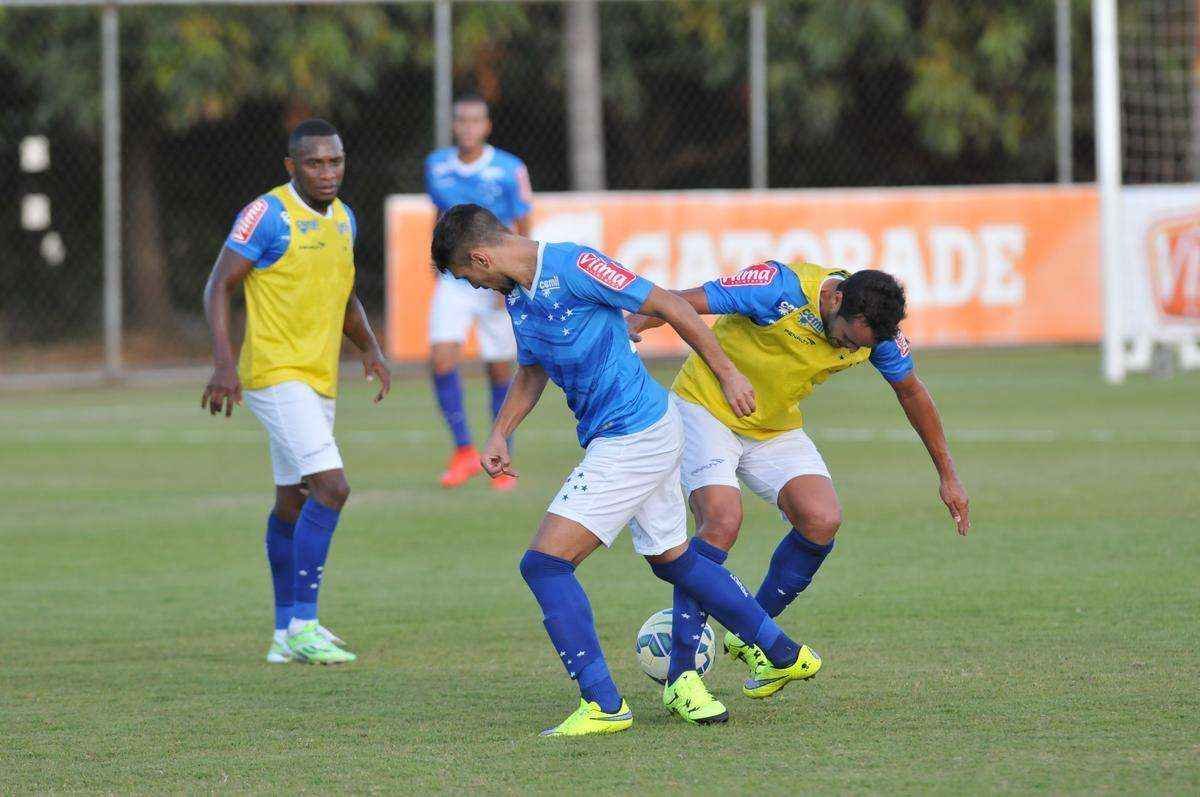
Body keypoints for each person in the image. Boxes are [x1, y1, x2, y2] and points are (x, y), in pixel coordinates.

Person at [432, 204, 825, 736]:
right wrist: (502, 431)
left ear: (481, 257)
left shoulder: (574, 266)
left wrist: (728, 374)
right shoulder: (518, 297)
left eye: (468, 276)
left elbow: (671, 305)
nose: (474, 287)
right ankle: (782, 652)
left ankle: (603, 704)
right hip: (630, 432)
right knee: (673, 560)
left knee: (545, 565)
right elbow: (532, 368)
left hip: (633, 435)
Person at [625, 260, 971, 689]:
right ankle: (683, 678)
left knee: (821, 519)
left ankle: (749, 633)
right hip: (706, 408)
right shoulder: (778, 288)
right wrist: (634, 321)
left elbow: (911, 391)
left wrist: (948, 476)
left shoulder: (875, 332)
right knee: (722, 520)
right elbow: (679, 302)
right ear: (835, 299)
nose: (848, 349)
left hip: (772, 423)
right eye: (847, 339)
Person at [201, 119, 391, 666]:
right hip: (275, 373)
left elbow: (344, 294)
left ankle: (285, 634)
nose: (327, 172)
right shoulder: (268, 214)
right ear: (292, 166)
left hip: (317, 378)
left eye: (335, 161)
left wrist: (370, 347)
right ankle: (306, 624)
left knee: (293, 501)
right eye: (314, 163)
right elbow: (218, 284)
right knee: (332, 487)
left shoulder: (345, 219)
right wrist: (223, 362)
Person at [424, 95, 533, 490]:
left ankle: (501, 458)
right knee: (441, 359)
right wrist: (435, 260)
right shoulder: (436, 166)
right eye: (461, 120)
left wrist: (515, 276)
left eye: (475, 120)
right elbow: (439, 216)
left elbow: (523, 222)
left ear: (486, 126)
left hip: (496, 278)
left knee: (499, 368)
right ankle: (463, 451)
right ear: (454, 125)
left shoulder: (509, 168)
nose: (468, 127)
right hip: (455, 277)